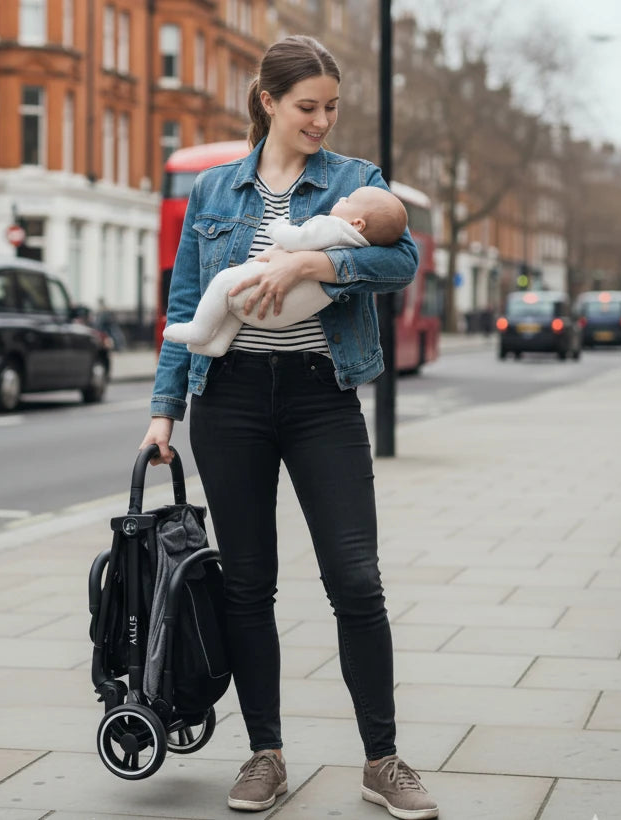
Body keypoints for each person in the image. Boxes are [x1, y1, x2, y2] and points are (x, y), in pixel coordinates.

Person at [139, 35, 437, 820]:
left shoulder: (353, 181)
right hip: (228, 399)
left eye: (332, 107)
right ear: (268, 101)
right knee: (247, 584)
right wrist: (163, 411)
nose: (322, 120)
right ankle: (263, 754)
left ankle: (383, 759)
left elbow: (401, 258)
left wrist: (318, 265)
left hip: (319, 397)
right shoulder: (211, 192)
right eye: (308, 106)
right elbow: (184, 302)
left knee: (355, 579)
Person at [162, 186, 407, 357]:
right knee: (234, 307)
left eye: (348, 201)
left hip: (268, 303)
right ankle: (217, 344)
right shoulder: (361, 244)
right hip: (286, 312)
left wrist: (278, 227)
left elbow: (298, 239)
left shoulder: (334, 227)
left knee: (223, 282)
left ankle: (200, 329)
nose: (341, 199)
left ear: (357, 223)